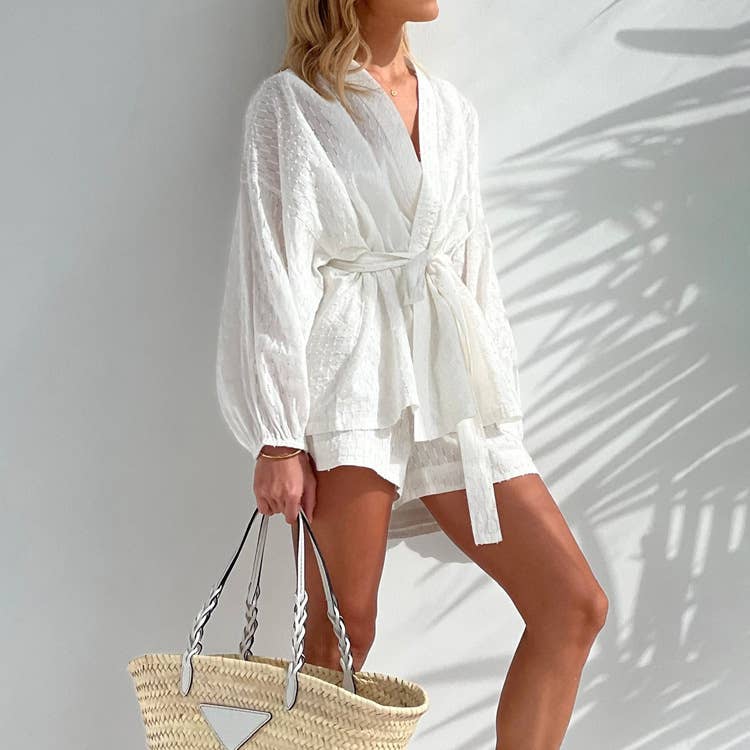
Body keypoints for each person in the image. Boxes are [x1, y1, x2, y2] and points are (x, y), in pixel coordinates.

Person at [215, 1, 608, 747]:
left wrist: (498, 412)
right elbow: (271, 269)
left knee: (572, 604)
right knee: (342, 636)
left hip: (448, 382)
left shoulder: (453, 111)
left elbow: (473, 264)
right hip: (352, 382)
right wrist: (277, 436)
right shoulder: (290, 106)